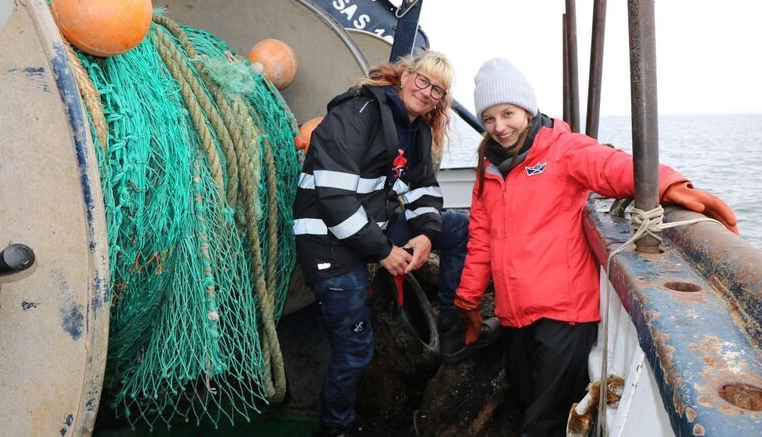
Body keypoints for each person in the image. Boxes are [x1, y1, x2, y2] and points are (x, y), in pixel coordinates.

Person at [453, 58, 739, 437]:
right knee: (526, 403)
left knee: (544, 423)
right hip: (514, 315)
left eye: (507, 113)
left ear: (527, 108)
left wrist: (669, 185)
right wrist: (469, 301)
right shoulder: (488, 168)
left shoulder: (562, 148)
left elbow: (611, 167)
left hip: (564, 315)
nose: (499, 127)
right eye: (489, 119)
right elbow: (480, 238)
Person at [292, 50, 496, 437]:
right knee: (355, 351)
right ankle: (336, 427)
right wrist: (383, 252)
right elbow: (334, 199)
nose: (427, 92)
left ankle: (451, 325)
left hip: (368, 229)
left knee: (459, 229)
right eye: (423, 80)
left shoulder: (414, 128)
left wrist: (425, 234)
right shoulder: (357, 113)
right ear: (405, 76)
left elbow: (421, 189)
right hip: (327, 241)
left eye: (438, 89)